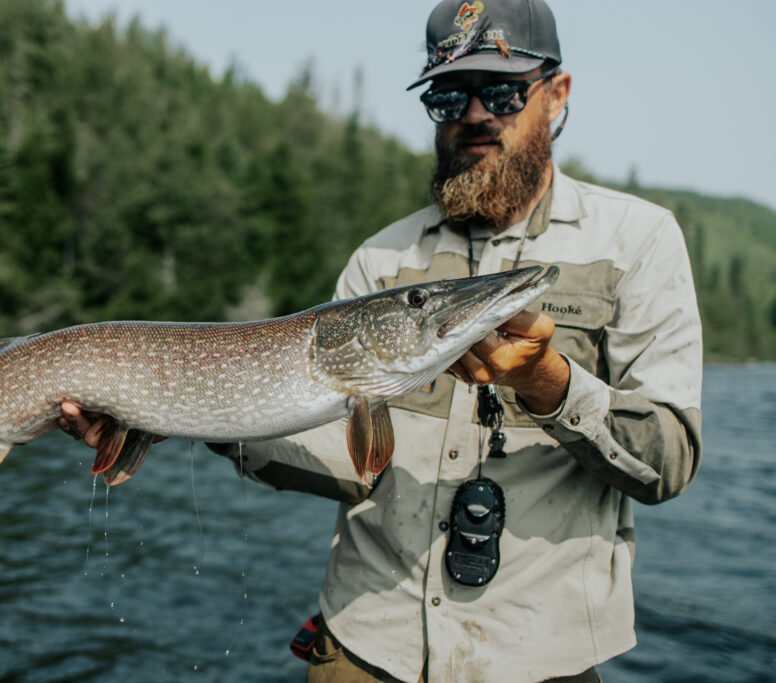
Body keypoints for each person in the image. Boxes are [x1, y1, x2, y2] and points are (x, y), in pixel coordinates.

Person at [60, 1, 703, 680]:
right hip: (365, 646)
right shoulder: (381, 259)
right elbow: (349, 458)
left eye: (504, 90)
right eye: (449, 94)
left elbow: (669, 459)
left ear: (558, 93)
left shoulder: (639, 240)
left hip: (537, 658)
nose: (475, 113)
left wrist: (550, 382)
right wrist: (190, 413)